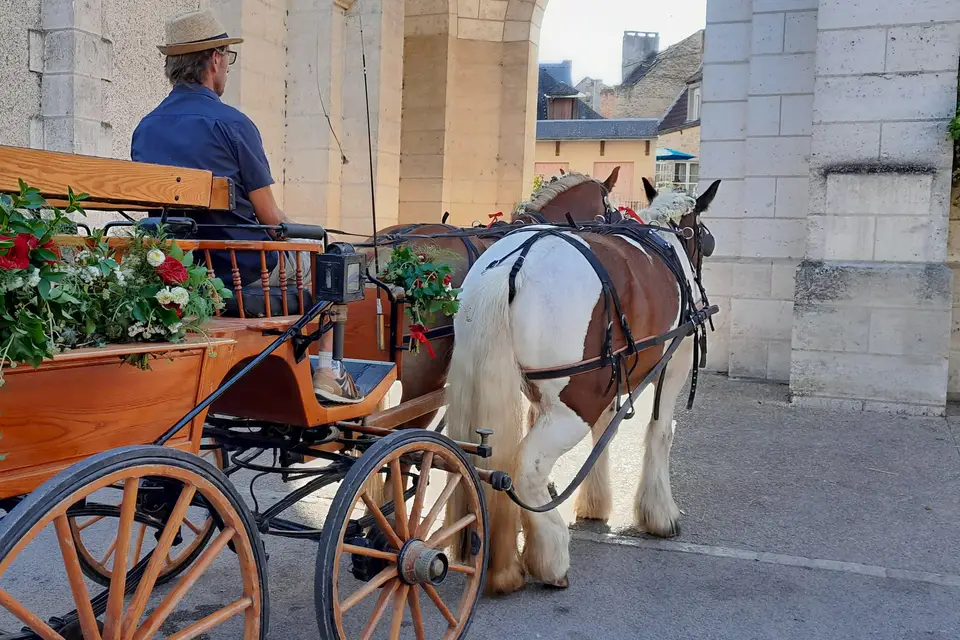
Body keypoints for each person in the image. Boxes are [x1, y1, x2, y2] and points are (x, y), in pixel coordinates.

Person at [131, 8, 363, 404]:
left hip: (178, 274)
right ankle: (328, 370)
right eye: (228, 58)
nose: (227, 67)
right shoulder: (232, 124)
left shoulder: (146, 127)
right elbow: (272, 220)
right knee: (330, 261)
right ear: (215, 60)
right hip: (239, 276)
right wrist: (307, 234)